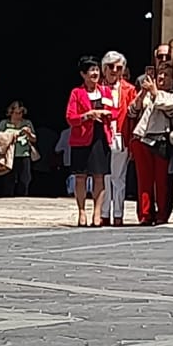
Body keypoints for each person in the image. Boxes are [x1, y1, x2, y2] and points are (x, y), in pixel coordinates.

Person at [128, 62, 173, 225]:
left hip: (161, 141)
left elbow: (169, 108)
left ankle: (162, 214)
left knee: (162, 181)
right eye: (160, 74)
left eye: (166, 75)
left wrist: (154, 92)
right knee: (144, 180)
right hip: (141, 139)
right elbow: (132, 111)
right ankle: (145, 214)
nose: (161, 78)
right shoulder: (146, 93)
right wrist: (143, 94)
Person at [64, 57, 111, 227]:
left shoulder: (105, 91)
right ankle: (82, 211)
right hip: (81, 138)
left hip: (100, 137)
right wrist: (86, 116)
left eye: (97, 69)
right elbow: (70, 117)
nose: (95, 73)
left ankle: (97, 213)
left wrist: (107, 114)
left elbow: (113, 110)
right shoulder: (77, 93)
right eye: (91, 70)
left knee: (99, 176)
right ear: (83, 74)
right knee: (80, 177)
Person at [95, 51, 136, 226]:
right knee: (104, 176)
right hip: (102, 136)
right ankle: (104, 213)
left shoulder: (130, 89)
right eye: (110, 67)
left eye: (118, 67)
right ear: (104, 69)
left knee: (119, 177)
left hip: (121, 135)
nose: (114, 70)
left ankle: (118, 213)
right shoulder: (96, 88)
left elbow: (134, 116)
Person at [0, 102, 37, 198]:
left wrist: (29, 134)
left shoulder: (27, 123)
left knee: (25, 179)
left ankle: (23, 197)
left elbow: (34, 139)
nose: (19, 115)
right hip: (9, 155)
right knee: (8, 179)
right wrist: (11, 135)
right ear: (11, 112)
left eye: (21, 113)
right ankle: (7, 197)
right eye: (16, 113)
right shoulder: (4, 123)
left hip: (24, 154)